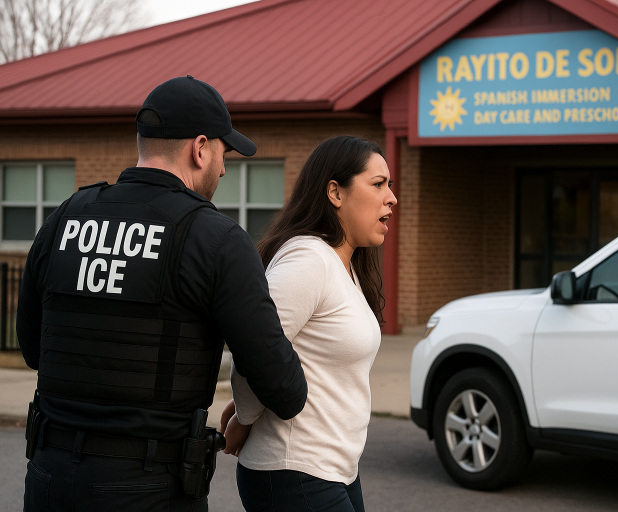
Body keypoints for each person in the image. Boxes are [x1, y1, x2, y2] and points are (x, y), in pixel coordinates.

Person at [16, 75, 307, 512]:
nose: (225, 168)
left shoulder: (65, 217)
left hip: (48, 478)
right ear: (200, 148)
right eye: (224, 154)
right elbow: (283, 388)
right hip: (149, 487)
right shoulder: (216, 238)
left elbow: (34, 349)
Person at [220, 135, 397, 512]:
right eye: (379, 184)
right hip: (293, 469)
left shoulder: (344, 265)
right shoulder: (308, 259)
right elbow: (255, 347)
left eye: (390, 185)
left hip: (334, 470)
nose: (391, 198)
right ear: (335, 192)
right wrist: (244, 416)